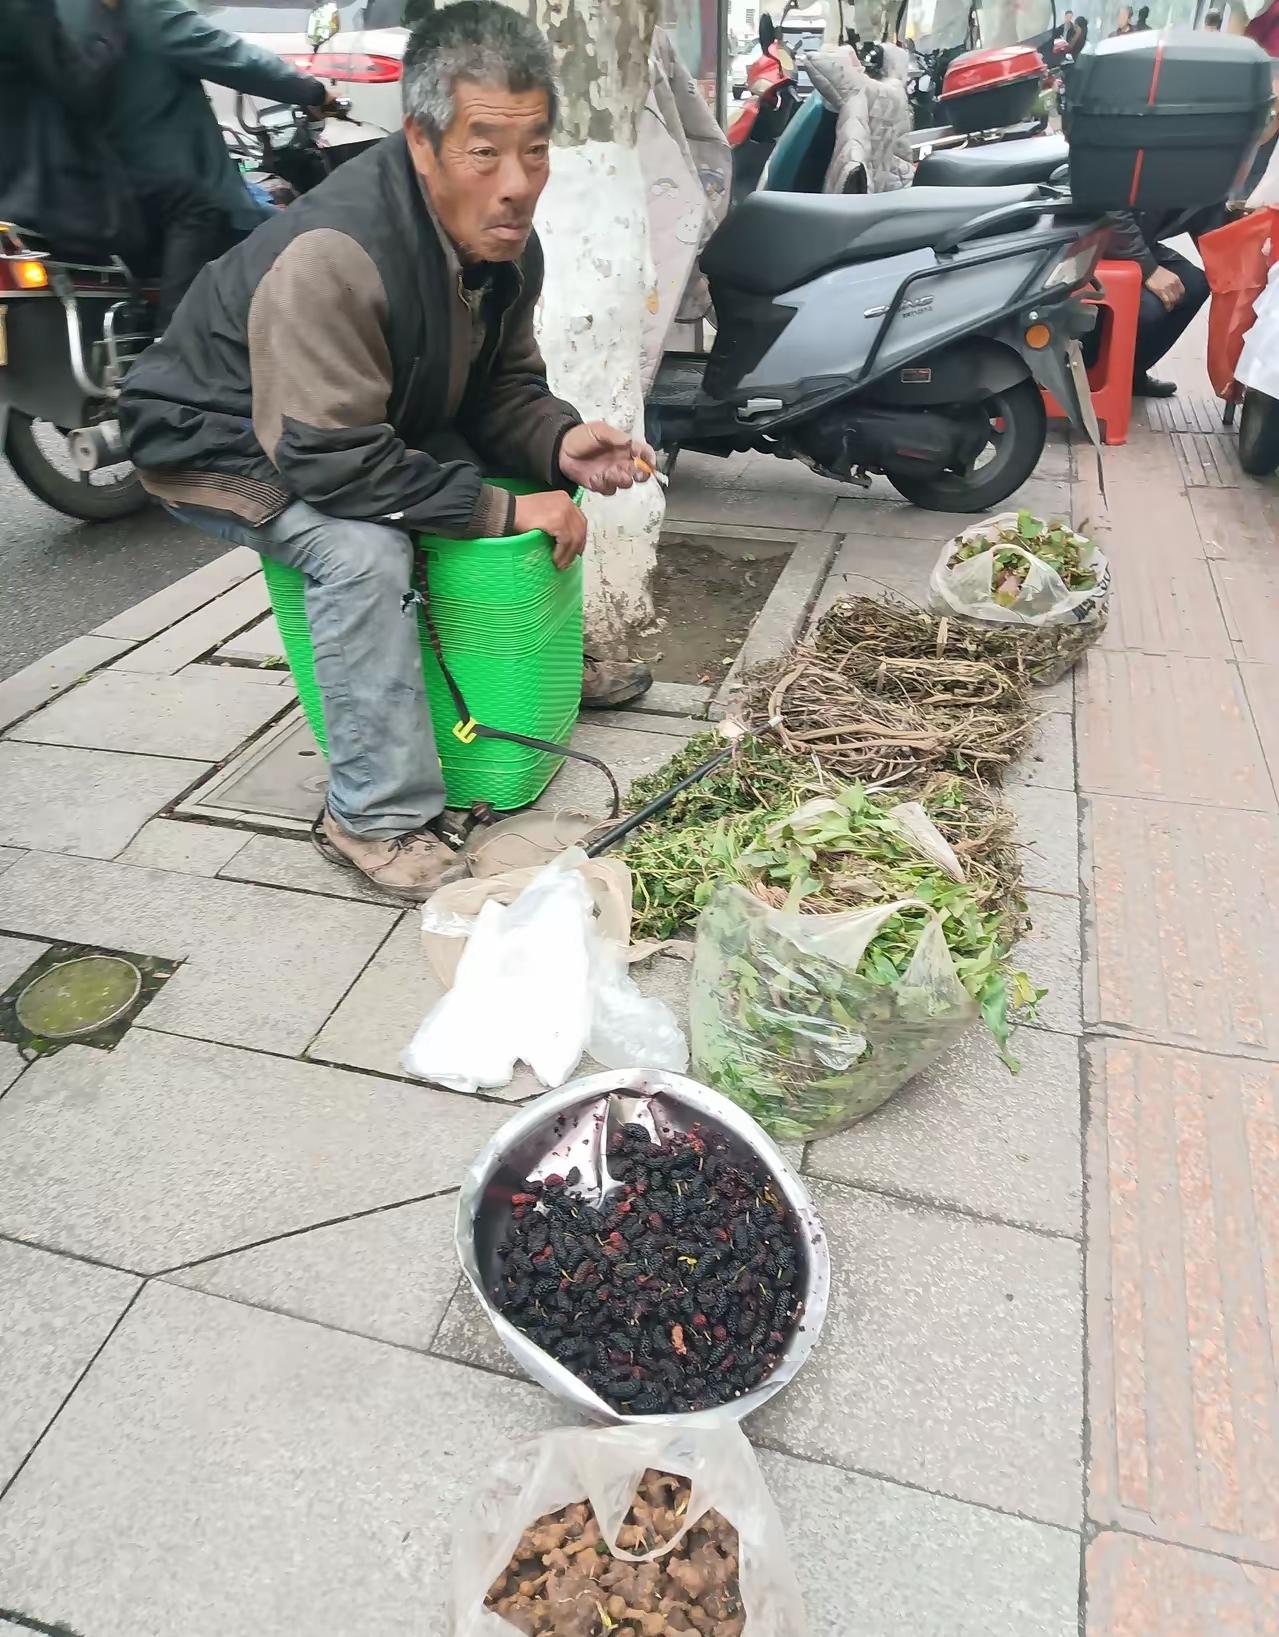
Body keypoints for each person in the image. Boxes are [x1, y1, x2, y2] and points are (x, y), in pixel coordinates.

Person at [120, 0, 657, 901]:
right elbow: (330, 465)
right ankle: (369, 813)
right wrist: (503, 509)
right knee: (363, 549)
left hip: (353, 422)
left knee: (516, 476)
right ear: (420, 142)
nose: (518, 182)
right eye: (484, 150)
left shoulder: (502, 243)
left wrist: (561, 445)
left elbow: (499, 390)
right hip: (217, 437)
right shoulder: (335, 253)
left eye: (534, 149)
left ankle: (524, 674)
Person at [62, 0, 342, 321]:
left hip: (92, 204)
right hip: (176, 199)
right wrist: (315, 93)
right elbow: (228, 54)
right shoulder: (143, 9)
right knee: (292, 242)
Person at [1105, 213, 1209, 395]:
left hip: (1139, 242)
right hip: (1094, 238)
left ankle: (1130, 374)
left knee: (1194, 285)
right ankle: (1091, 372)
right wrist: (1149, 269)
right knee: (1147, 308)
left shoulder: (1213, 186)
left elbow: (1209, 224)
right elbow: (1110, 209)